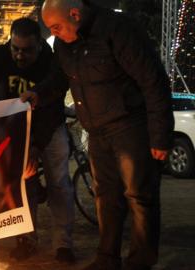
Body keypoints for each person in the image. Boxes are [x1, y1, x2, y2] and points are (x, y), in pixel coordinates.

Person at [31, 1, 175, 269]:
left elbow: (153, 80)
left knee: (139, 196)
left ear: (75, 14)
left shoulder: (118, 30)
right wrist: (39, 93)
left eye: (57, 27)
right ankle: (107, 258)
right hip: (97, 132)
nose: (55, 34)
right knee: (105, 196)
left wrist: (159, 136)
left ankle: (140, 262)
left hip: (131, 126)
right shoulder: (64, 45)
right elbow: (61, 79)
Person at [0, 17, 75, 263]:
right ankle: (26, 239)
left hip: (49, 127)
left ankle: (63, 243)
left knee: (59, 183)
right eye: (15, 49)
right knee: (24, 186)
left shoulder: (51, 62)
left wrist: (36, 145)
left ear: (39, 45)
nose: (19, 56)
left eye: (27, 50)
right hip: (17, 129)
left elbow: (52, 108)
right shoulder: (0, 56)